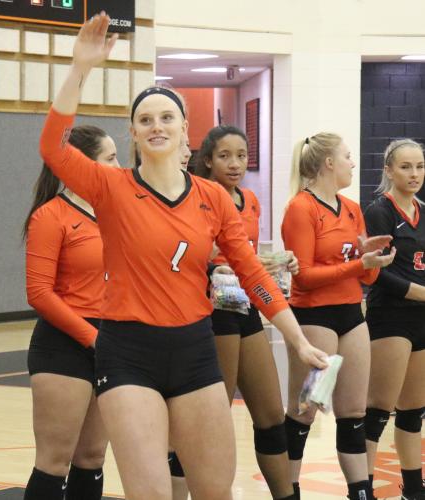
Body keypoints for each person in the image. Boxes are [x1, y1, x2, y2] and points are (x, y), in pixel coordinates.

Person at [39, 13, 327, 500]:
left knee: (215, 491)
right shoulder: (109, 187)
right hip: (127, 353)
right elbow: (53, 146)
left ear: (184, 128)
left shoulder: (212, 198)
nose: (156, 126)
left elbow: (250, 271)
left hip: (195, 351)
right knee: (150, 492)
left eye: (166, 117)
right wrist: (79, 69)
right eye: (145, 120)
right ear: (132, 132)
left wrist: (296, 340)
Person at [281, 133, 396, 500]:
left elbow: (364, 275)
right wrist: (356, 264)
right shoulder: (301, 208)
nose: (352, 162)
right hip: (315, 318)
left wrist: (372, 261)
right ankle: (289, 489)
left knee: (353, 412)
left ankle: (360, 492)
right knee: (305, 412)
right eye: (347, 156)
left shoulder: (350, 207)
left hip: (351, 314)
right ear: (328, 162)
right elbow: (305, 276)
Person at [190, 125, 299, 499]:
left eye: (241, 155)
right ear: (207, 160)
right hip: (213, 306)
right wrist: (215, 270)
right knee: (215, 419)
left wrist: (277, 262)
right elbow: (195, 256)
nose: (235, 164)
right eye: (224, 156)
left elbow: (245, 257)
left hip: (243, 302)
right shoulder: (199, 196)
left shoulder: (250, 200)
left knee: (271, 417)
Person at [23, 124, 119, 500]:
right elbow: (39, 293)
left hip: (111, 343)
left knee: (93, 456)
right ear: (82, 164)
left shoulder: (117, 213)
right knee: (55, 460)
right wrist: (92, 337)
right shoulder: (51, 215)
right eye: (111, 159)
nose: (119, 167)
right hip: (64, 345)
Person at [363, 139, 425, 500]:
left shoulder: (424, 210)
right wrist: (417, 293)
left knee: (413, 410)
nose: (414, 174)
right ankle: (362, 487)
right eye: (405, 167)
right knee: (378, 409)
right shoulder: (379, 211)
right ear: (388, 170)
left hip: (421, 318)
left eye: (419, 166)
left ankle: (413, 490)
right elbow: (374, 273)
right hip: (390, 317)